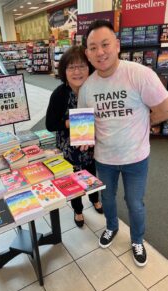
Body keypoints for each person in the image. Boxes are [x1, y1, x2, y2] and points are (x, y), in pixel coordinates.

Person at [78, 20, 168, 267]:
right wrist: (85, 137)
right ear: (87, 53)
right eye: (93, 47)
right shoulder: (87, 88)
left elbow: (163, 108)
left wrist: (143, 126)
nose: (100, 52)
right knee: (107, 199)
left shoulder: (139, 74)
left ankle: (137, 239)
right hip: (104, 159)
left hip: (136, 157)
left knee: (134, 203)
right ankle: (111, 227)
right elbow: (84, 123)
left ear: (117, 45)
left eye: (105, 44)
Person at [46, 45, 103, 228]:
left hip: (92, 146)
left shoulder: (96, 89)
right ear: (64, 71)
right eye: (71, 67)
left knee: (92, 174)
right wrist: (71, 123)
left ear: (89, 68)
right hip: (69, 150)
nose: (77, 72)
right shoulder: (59, 94)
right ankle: (78, 211)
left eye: (82, 66)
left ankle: (95, 199)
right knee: (74, 182)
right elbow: (49, 124)